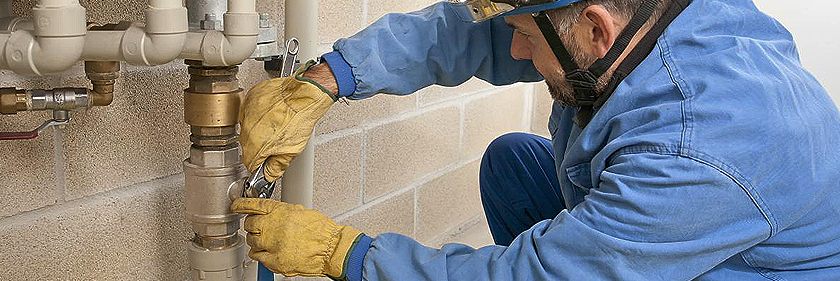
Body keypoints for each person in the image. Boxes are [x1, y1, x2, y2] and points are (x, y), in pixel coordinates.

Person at [233, 0, 840, 280]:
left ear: (595, 28)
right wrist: (327, 79)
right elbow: (476, 36)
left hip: (750, 270)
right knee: (513, 163)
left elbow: (533, 274)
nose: (515, 51)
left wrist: (348, 255)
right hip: (692, 216)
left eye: (526, 34)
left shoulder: (696, 153)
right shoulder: (645, 22)